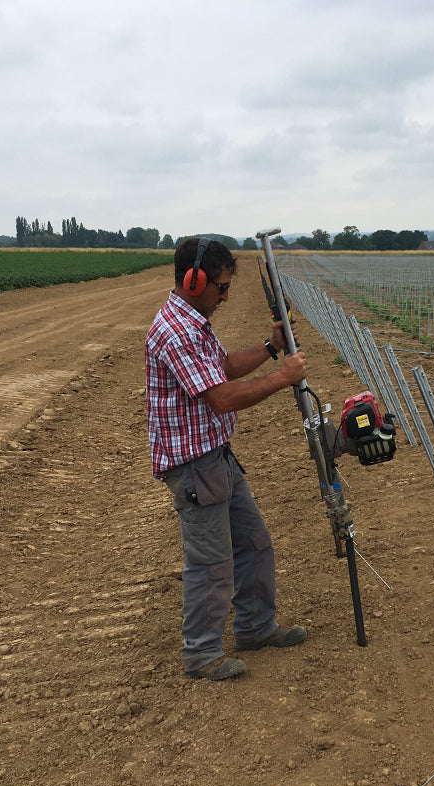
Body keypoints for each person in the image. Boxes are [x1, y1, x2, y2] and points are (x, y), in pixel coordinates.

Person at [145, 237, 309, 680]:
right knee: (211, 561)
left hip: (217, 457)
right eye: (222, 287)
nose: (226, 296)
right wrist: (283, 377)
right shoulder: (176, 332)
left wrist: (270, 347)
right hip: (195, 467)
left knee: (254, 542)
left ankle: (255, 627)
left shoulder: (194, 322)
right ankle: (201, 653)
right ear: (194, 281)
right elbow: (222, 398)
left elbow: (224, 367)